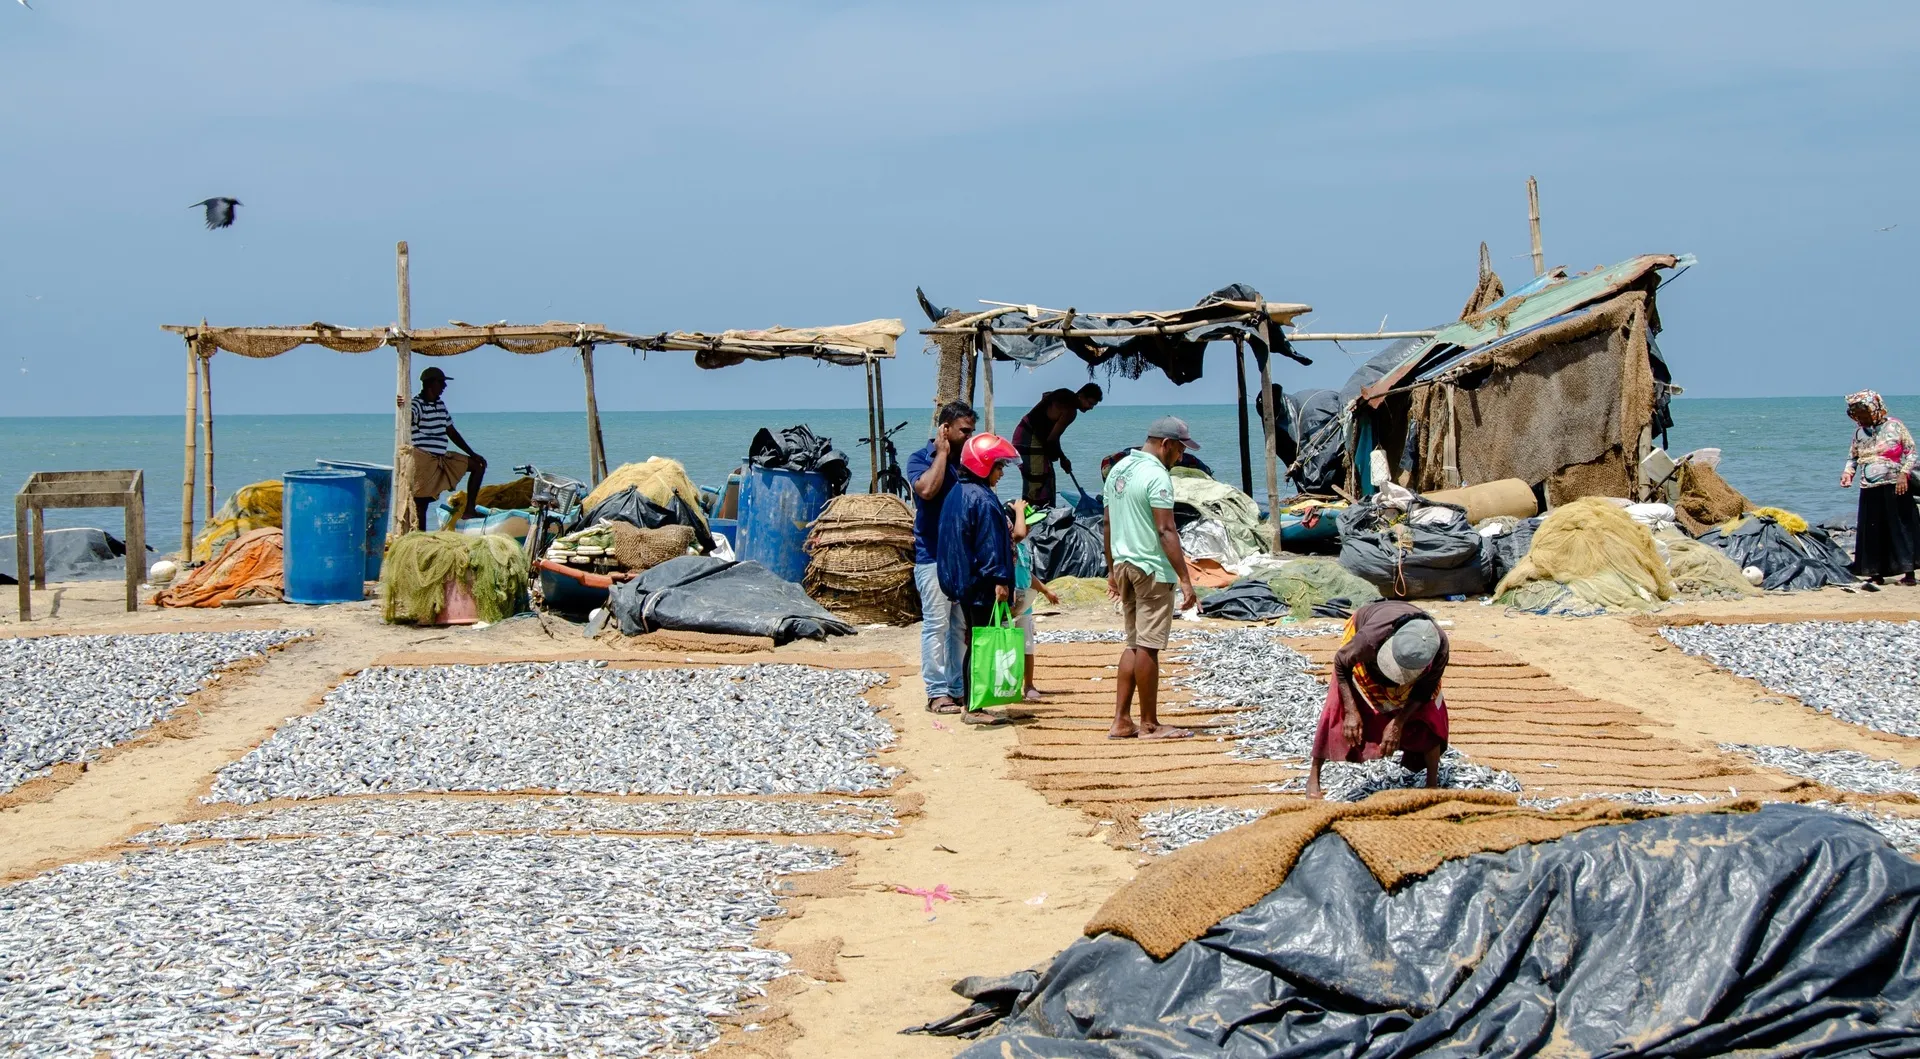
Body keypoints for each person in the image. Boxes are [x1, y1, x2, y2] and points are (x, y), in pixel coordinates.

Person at [1102, 416, 1200, 740]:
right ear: (1165, 445)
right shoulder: (1157, 476)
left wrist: (1110, 569)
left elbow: (1107, 523)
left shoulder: (1119, 468)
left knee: (1133, 643)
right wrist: (1185, 579)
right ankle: (1149, 724)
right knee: (1149, 645)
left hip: (1124, 564)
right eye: (1180, 451)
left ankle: (1120, 720)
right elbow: (1165, 529)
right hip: (1151, 569)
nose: (1181, 458)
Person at [1306, 601, 1451, 800]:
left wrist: (1398, 722)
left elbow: (1424, 691)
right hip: (1365, 652)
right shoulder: (1368, 640)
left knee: (1429, 714)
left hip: (1417, 676)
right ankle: (1313, 776)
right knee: (1336, 708)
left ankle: (1432, 784)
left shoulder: (1439, 646)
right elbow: (1341, 663)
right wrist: (1351, 711)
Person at [937, 432, 1020, 725]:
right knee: (981, 642)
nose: (1000, 473)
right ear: (984, 466)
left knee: (975, 639)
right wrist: (1000, 580)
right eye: (998, 467)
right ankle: (973, 708)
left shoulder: (957, 492)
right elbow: (990, 544)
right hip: (982, 584)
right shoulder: (982, 499)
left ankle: (972, 701)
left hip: (965, 582)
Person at [907, 402, 977, 715]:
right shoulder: (920, 459)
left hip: (962, 560)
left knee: (959, 625)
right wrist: (943, 454)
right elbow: (927, 490)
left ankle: (957, 689)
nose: (970, 436)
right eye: (964, 430)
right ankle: (936, 693)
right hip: (932, 557)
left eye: (972, 430)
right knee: (936, 626)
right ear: (944, 429)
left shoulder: (969, 464)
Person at [1841, 390, 1918, 587]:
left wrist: (1904, 474)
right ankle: (1875, 573)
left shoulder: (1894, 426)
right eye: (1858, 415)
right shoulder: (1859, 433)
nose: (1862, 418)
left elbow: (1911, 452)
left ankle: (1908, 573)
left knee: (1900, 528)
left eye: (1865, 414)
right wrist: (1848, 473)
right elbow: (1853, 457)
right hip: (1869, 487)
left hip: (1896, 485)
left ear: (1876, 409)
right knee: (1873, 531)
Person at [399, 365, 487, 531]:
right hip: (424, 458)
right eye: (441, 383)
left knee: (479, 465)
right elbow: (406, 418)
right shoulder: (416, 405)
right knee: (421, 501)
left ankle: (469, 511)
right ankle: (421, 536)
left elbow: (451, 432)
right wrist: (402, 405)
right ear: (430, 384)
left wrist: (472, 454)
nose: (444, 387)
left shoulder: (440, 405)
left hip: (442, 457)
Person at [1012, 383, 1103, 509]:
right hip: (1029, 438)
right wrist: (1062, 458)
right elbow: (1052, 439)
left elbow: (1052, 435)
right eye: (1090, 403)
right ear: (1081, 396)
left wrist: (1061, 457)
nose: (1091, 408)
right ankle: (1029, 518)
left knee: (1047, 477)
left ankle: (1043, 513)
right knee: (1037, 481)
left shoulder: (1064, 393)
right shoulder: (1070, 411)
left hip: (1024, 433)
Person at [1008, 499, 1062, 702]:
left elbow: (1027, 575)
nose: (1028, 529)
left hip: (1025, 606)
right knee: (1007, 645)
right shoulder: (1009, 543)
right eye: (1026, 523)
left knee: (1028, 646)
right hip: (1008, 605)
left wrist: (1046, 591)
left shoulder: (1023, 548)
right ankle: (1008, 683)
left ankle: (1028, 684)